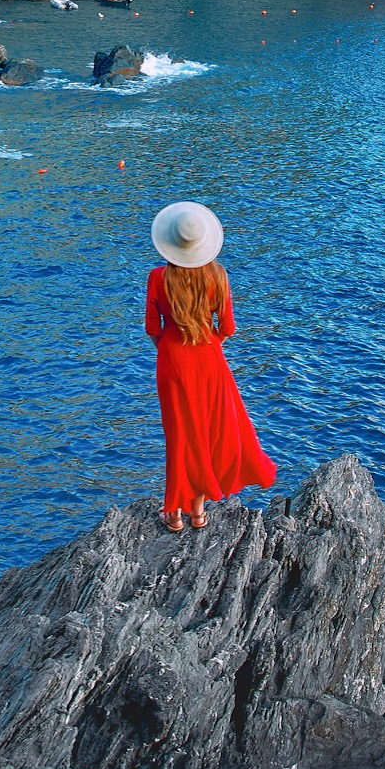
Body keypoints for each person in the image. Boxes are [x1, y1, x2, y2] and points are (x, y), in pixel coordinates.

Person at [144, 202, 276, 533]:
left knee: (179, 435)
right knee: (209, 431)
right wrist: (208, 341)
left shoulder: (159, 277)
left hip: (173, 360)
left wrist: (170, 349)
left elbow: (152, 328)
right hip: (209, 357)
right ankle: (198, 511)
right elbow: (228, 328)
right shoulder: (217, 275)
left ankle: (173, 512)